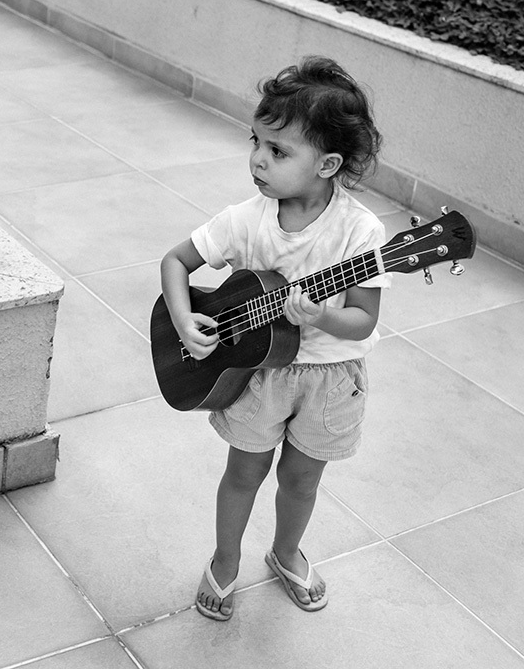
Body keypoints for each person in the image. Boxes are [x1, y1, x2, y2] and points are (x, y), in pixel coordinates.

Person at [159, 56, 387, 621]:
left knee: (302, 478)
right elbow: (175, 262)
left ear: (328, 163)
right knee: (244, 471)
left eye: (278, 151)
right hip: (256, 375)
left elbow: (363, 320)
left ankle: (286, 552)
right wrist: (186, 321)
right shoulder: (246, 219)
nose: (259, 159)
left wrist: (322, 317)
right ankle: (225, 558)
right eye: (256, 142)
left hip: (330, 379)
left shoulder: (361, 232)